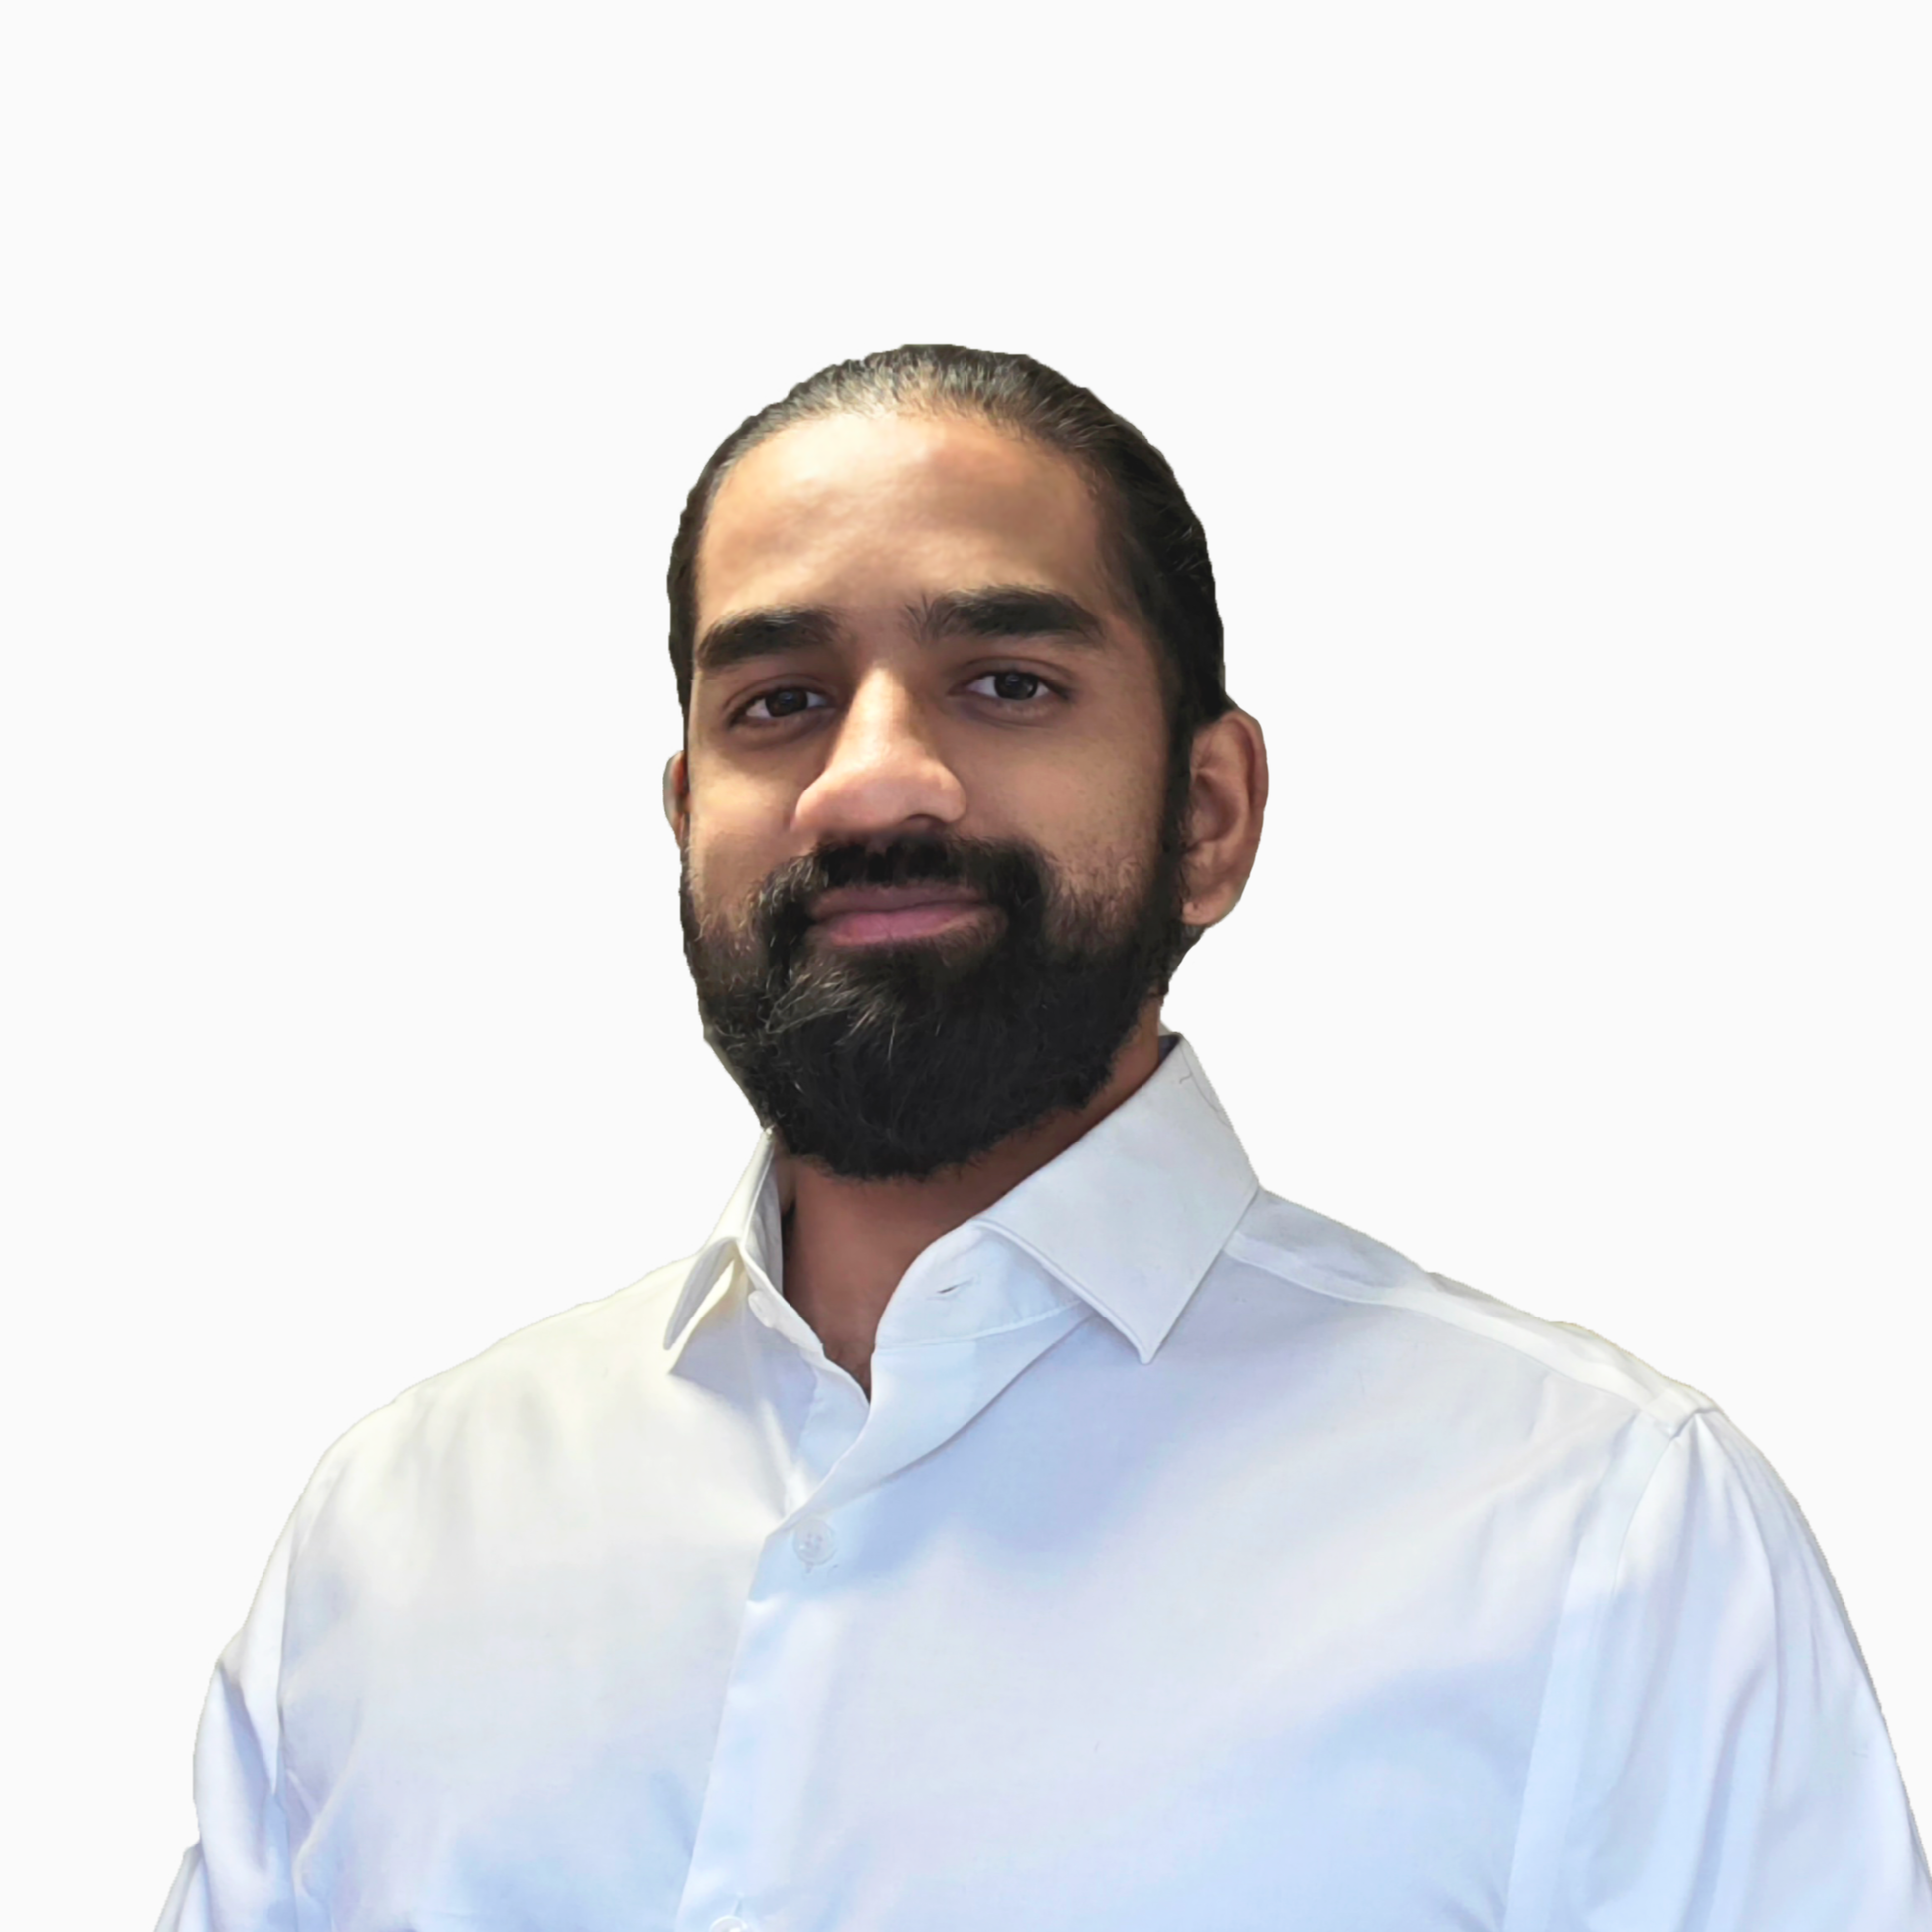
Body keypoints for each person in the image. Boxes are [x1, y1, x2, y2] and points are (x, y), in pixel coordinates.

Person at [158, 344, 1930, 1932]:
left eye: (1005, 682)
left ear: (1210, 814)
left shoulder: (1595, 1532)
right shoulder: (396, 1532)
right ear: (687, 811)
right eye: (775, 700)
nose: (872, 778)